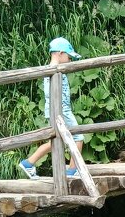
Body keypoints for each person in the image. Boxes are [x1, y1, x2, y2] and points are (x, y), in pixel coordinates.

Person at [17, 37, 83, 179]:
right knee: (78, 137)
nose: (70, 61)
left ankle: (29, 163)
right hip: (61, 110)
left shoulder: (50, 69)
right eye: (69, 57)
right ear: (60, 53)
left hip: (53, 110)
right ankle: (73, 170)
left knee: (56, 140)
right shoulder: (55, 70)